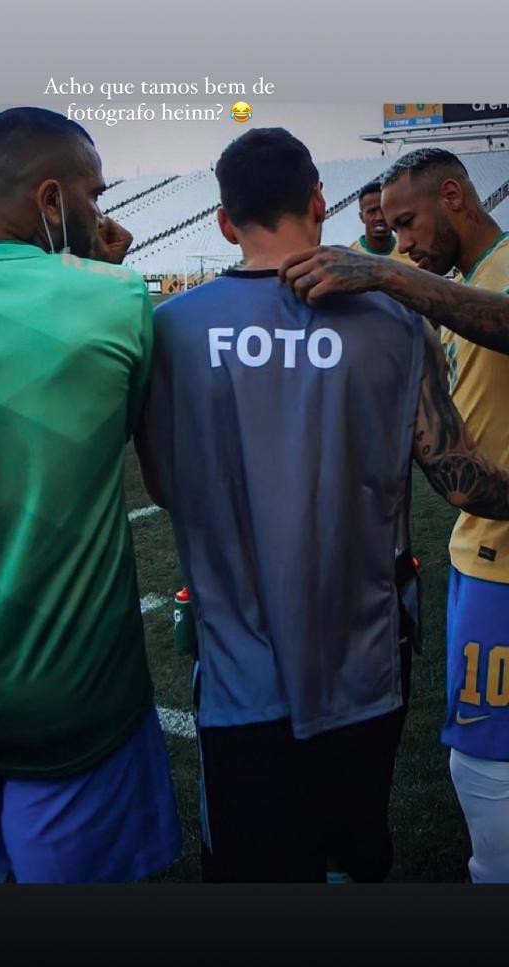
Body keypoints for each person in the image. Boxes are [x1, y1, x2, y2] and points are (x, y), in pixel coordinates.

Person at [139, 129, 509, 883]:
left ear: (221, 222)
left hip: (239, 674)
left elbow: (164, 485)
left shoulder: (170, 329)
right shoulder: (395, 320)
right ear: (320, 202)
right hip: (363, 666)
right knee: (354, 863)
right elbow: (465, 484)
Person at [279, 146, 509, 882]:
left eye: (408, 223)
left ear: (455, 197)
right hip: (478, 545)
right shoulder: (458, 280)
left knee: (482, 756)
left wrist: (386, 273)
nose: (403, 240)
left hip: (501, 558)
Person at [0, 107, 181, 883]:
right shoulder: (115, 298)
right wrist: (107, 273)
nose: (103, 211)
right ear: (52, 200)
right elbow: (136, 452)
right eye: (93, 194)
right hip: (71, 694)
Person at [350, 180, 412, 263]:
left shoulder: (411, 254)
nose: (379, 217)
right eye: (372, 211)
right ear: (361, 217)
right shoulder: (350, 257)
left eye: (384, 210)